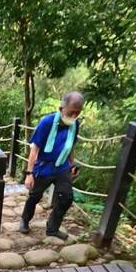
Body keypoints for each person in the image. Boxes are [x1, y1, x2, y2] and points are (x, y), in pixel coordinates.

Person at [19, 91, 84, 240]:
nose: (74, 116)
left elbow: (70, 146)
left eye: (77, 113)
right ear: (62, 108)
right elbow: (34, 149)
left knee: (66, 198)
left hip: (62, 166)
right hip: (44, 166)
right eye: (71, 112)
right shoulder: (46, 122)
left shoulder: (75, 125)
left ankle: (52, 228)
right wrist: (29, 174)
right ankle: (25, 219)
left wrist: (72, 165)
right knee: (35, 196)